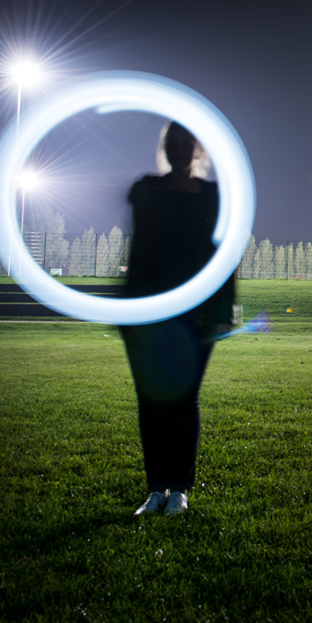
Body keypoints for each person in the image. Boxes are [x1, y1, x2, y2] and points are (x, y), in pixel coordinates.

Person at [121, 122, 235, 516]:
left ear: (199, 150)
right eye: (174, 143)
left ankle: (180, 489)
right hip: (148, 313)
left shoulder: (213, 196)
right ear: (165, 148)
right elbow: (138, 253)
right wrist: (126, 312)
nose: (181, 149)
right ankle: (156, 489)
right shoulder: (148, 189)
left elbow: (224, 256)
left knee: (184, 399)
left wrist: (225, 311)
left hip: (196, 315)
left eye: (188, 143)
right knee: (151, 400)